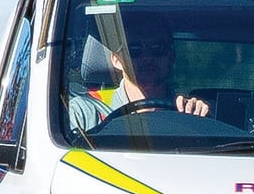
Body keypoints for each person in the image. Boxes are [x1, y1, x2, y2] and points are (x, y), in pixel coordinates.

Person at [68, 28, 209, 132]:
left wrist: (199, 121)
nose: (147, 57)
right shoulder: (85, 110)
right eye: (134, 49)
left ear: (171, 56)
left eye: (158, 48)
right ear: (116, 59)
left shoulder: (187, 112)